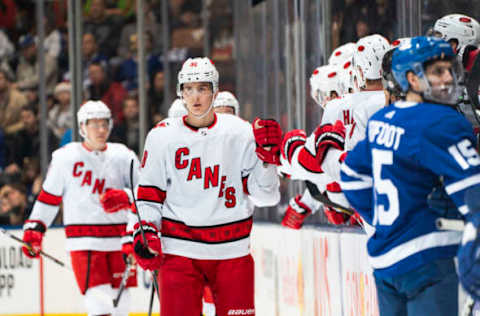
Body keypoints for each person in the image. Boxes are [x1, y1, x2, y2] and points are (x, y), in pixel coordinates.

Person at [131, 57, 281, 316]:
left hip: (232, 252)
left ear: (215, 91)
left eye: (202, 88)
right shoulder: (161, 136)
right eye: (189, 89)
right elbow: (149, 197)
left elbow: (266, 197)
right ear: (180, 93)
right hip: (179, 252)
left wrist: (268, 161)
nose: (195, 96)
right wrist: (146, 231)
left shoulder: (240, 132)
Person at [340, 36, 478, 316]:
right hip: (430, 259)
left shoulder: (382, 121)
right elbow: (475, 195)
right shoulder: (443, 122)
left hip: (386, 262)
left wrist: (385, 221)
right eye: (437, 71)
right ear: (412, 79)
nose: (448, 78)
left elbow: (352, 176)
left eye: (450, 69)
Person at [21, 100, 139, 316]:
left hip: (120, 242)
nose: (101, 129)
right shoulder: (65, 158)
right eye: (95, 124)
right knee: (99, 305)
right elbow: (49, 197)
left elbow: (146, 194)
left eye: (104, 124)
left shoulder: (124, 156)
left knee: (121, 308)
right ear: (82, 127)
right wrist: (35, 229)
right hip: (85, 243)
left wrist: (125, 196)